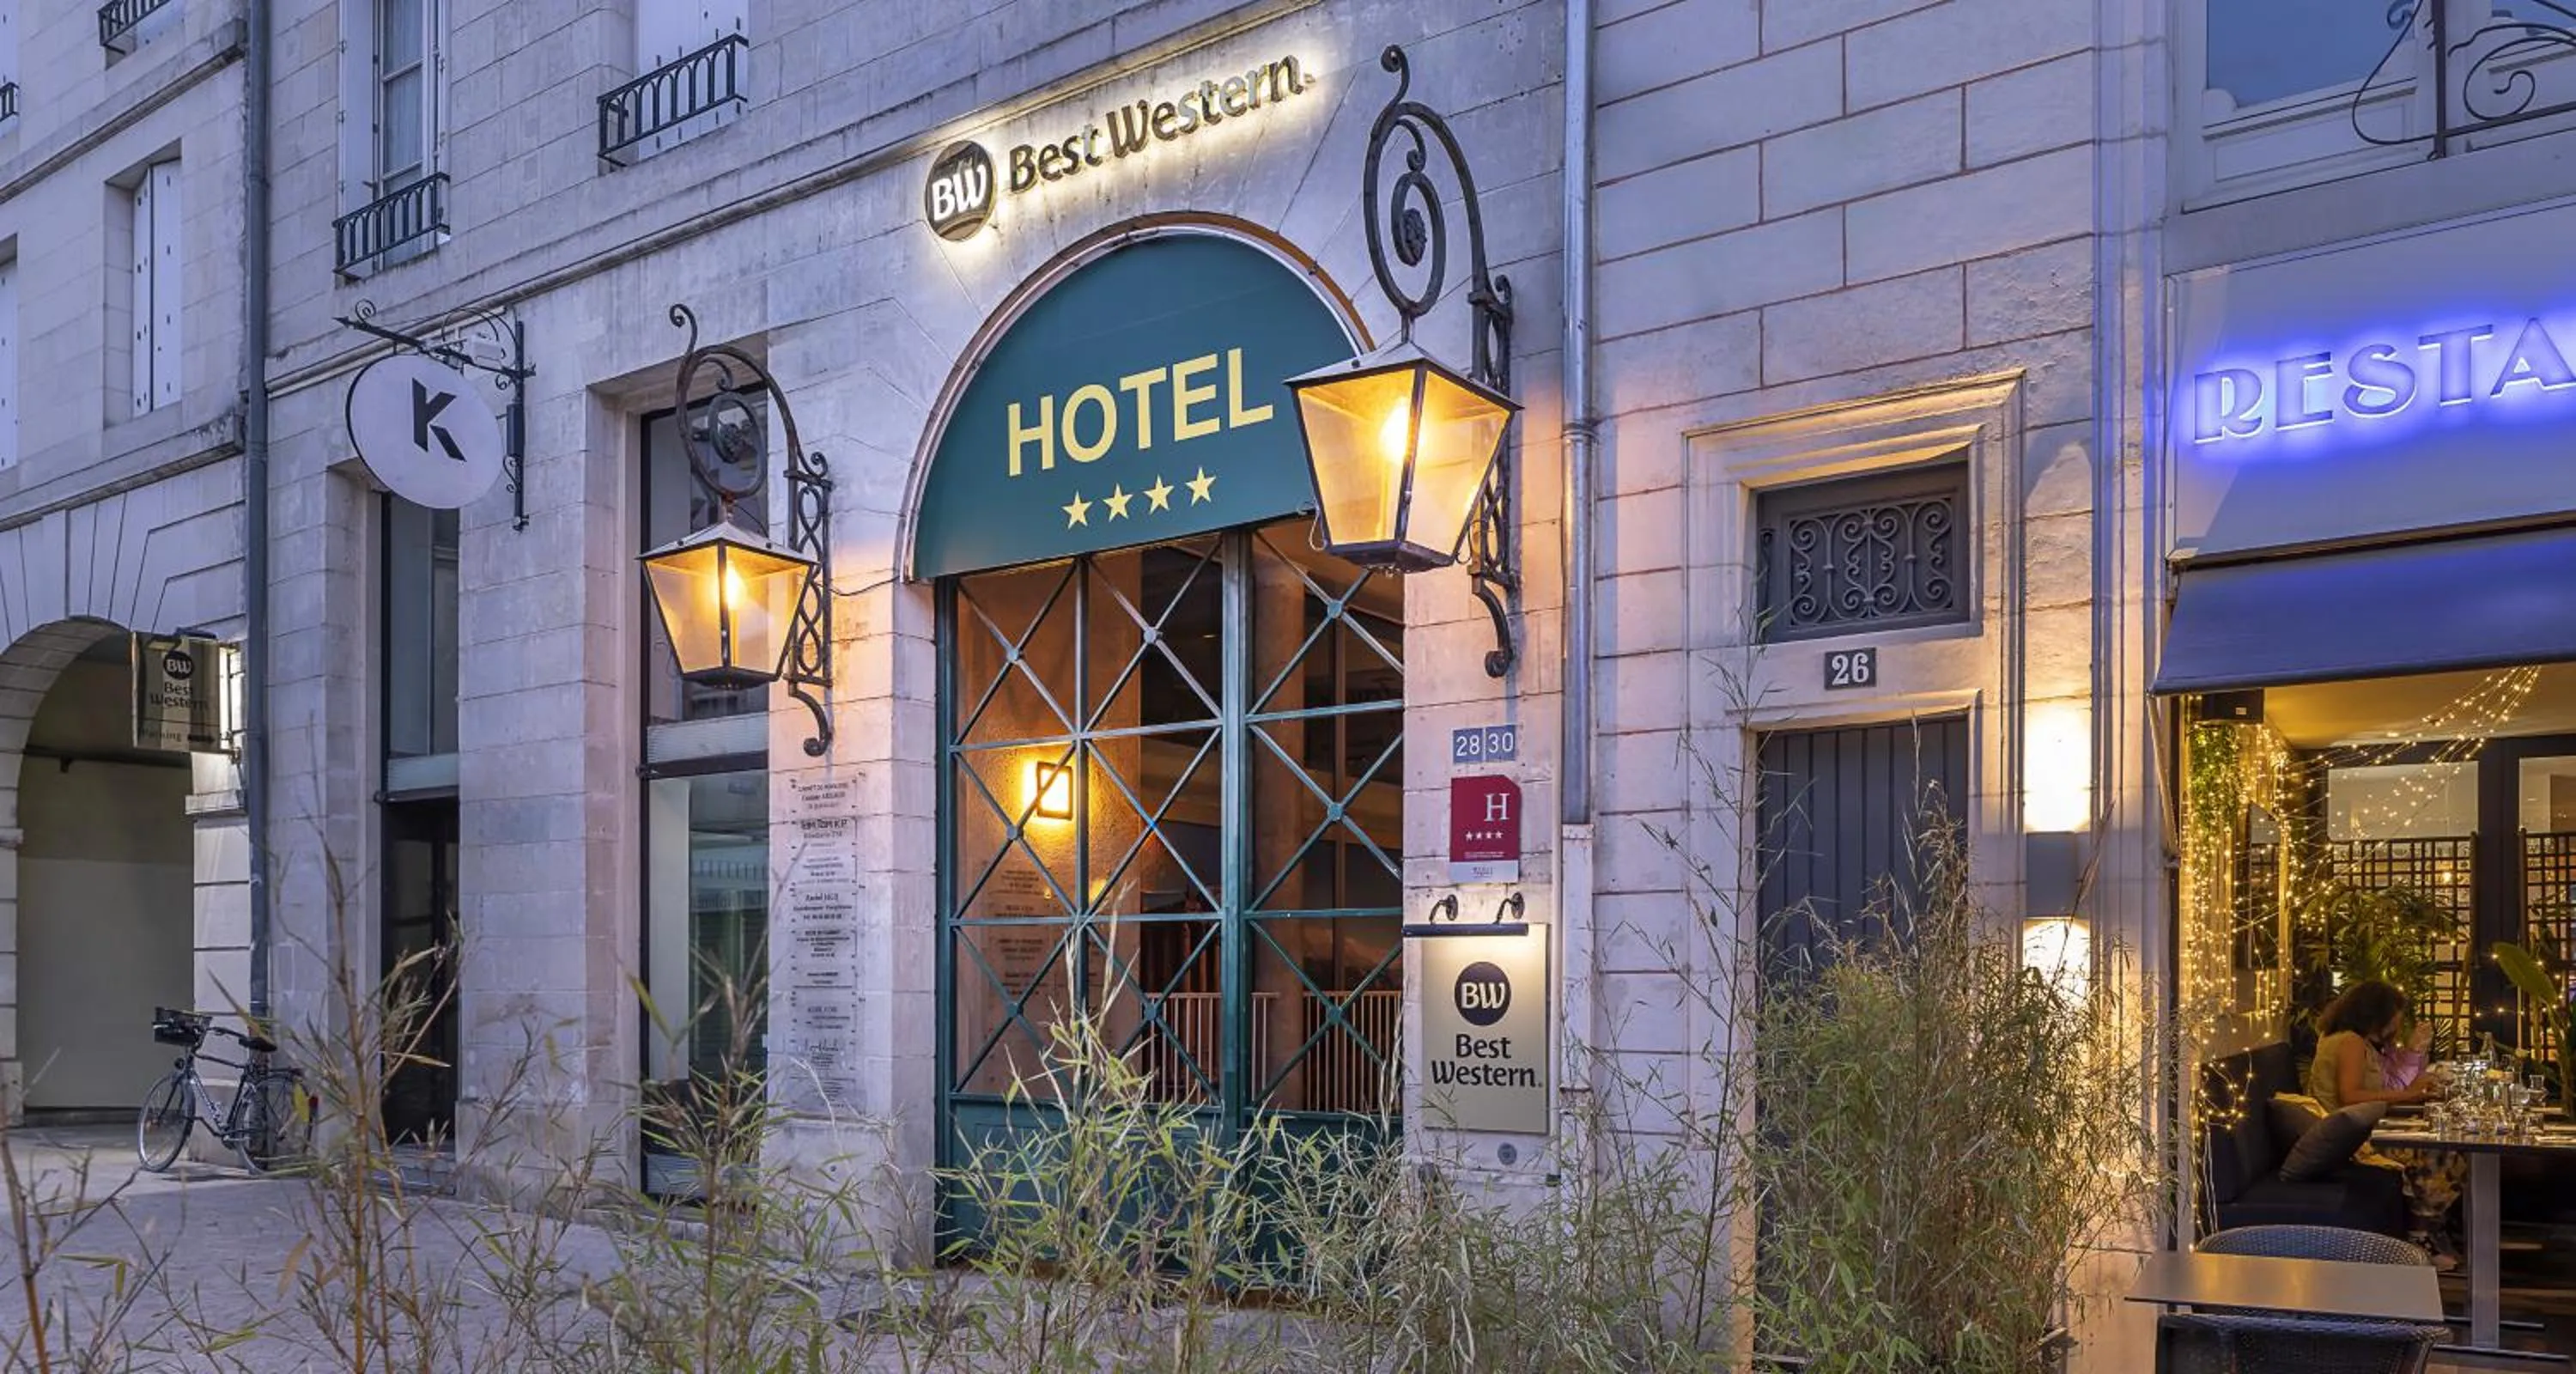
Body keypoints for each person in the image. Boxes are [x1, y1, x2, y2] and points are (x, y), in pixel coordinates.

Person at [2309, 979, 2464, 1266]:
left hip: (2357, 1128)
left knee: (2439, 1146)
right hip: (2350, 1138)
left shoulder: (2355, 1041)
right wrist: (2408, 1096)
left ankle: (2429, 1229)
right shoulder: (2350, 1042)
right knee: (2437, 1153)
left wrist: (2412, 1089)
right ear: (2376, 1014)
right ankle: (2420, 1236)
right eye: (2395, 1014)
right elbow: (2350, 1095)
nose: (2398, 1021)